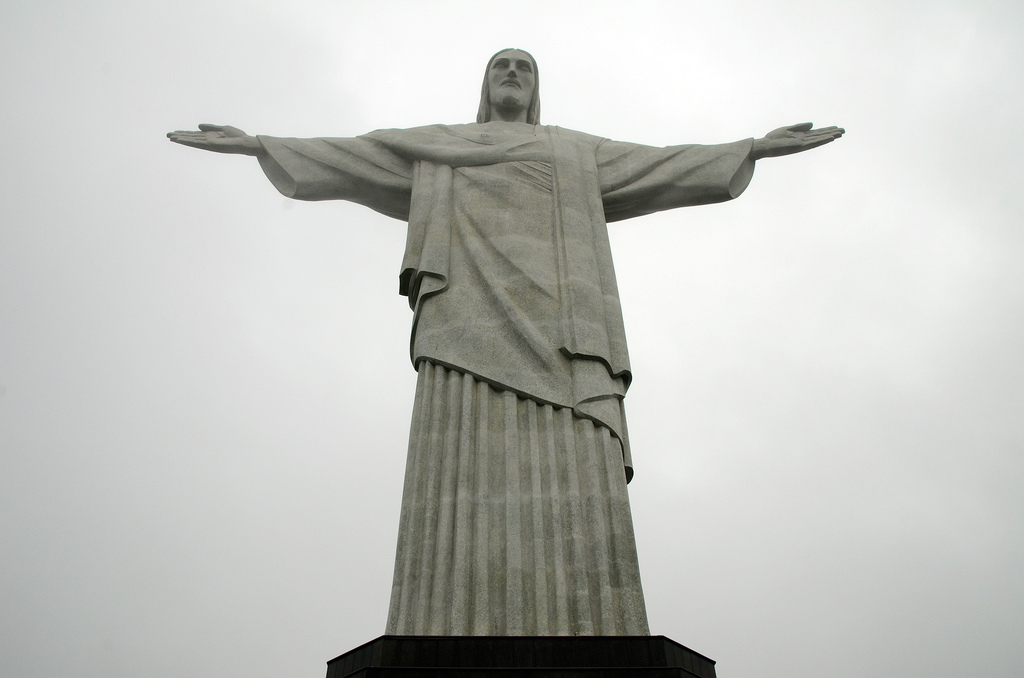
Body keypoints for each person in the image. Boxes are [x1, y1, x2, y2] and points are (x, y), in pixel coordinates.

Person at [168, 48, 843, 637]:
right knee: (458, 456)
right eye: (502, 66)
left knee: (577, 459)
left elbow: (660, 164)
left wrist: (750, 148)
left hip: (564, 333)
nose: (513, 75)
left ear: (536, 88)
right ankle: (440, 619)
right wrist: (259, 144)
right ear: (486, 84)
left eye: (524, 67)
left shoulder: (573, 151)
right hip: (463, 322)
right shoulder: (438, 146)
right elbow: (352, 155)